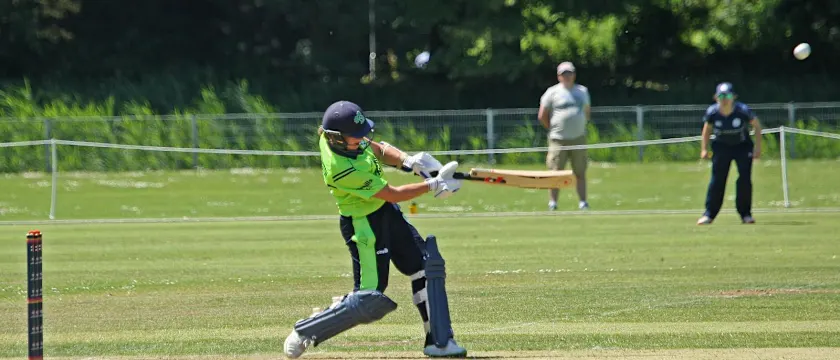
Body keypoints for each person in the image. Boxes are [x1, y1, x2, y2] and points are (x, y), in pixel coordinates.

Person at [283, 100, 469, 358]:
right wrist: (433, 185)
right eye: (355, 136)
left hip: (385, 213)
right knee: (368, 298)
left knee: (426, 267)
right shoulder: (341, 168)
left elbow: (378, 149)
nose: (362, 139)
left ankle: (439, 341)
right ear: (336, 138)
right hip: (364, 226)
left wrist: (409, 161)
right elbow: (392, 193)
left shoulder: (346, 140)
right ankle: (308, 329)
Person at [697, 82, 762, 225]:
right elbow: (707, 130)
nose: (724, 99)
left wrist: (757, 148)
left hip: (742, 147)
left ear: (733, 97)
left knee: (744, 179)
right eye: (721, 96)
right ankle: (709, 214)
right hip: (721, 147)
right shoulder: (712, 112)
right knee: (717, 180)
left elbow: (756, 126)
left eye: (727, 96)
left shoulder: (742, 110)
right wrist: (704, 149)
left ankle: (745, 214)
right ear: (716, 97)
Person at [538, 61, 591, 211]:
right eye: (564, 73)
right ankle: (553, 203)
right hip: (558, 140)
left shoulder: (582, 91)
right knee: (555, 173)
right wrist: (553, 129)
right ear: (558, 76)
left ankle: (583, 203)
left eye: (570, 73)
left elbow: (587, 112)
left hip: (578, 138)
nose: (567, 76)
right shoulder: (552, 92)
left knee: (580, 171)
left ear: (574, 74)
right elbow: (542, 115)